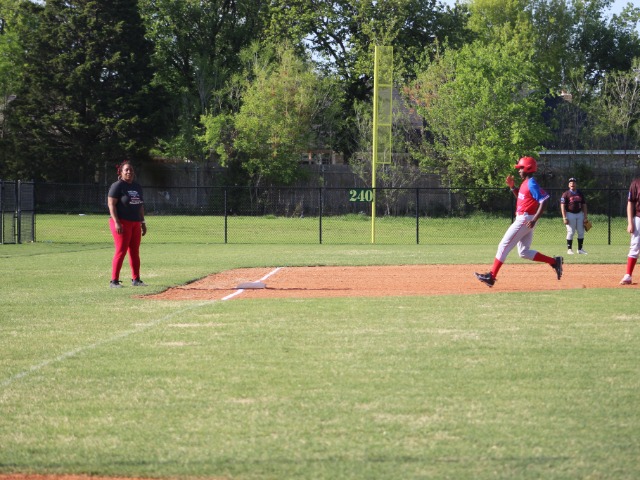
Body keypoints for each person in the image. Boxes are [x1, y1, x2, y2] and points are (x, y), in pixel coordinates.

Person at [475, 156, 563, 287]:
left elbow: (544, 200)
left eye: (521, 168)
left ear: (528, 168)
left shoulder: (531, 183)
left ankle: (491, 276)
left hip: (525, 220)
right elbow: (522, 198)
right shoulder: (525, 183)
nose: (519, 170)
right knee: (523, 252)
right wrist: (512, 187)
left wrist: (534, 220)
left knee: (503, 246)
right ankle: (554, 262)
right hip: (526, 219)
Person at [108, 160, 147, 288]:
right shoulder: (117, 186)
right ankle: (114, 281)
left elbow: (140, 206)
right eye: (126, 170)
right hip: (122, 222)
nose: (129, 172)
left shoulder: (137, 186)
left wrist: (143, 222)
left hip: (135, 222)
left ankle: (136, 279)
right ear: (121, 172)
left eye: (131, 170)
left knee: (134, 251)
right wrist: (117, 222)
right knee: (121, 251)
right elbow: (111, 205)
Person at [560, 177, 588, 254]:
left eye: (574, 183)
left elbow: (584, 205)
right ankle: (569, 249)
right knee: (571, 232)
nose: (572, 184)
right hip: (570, 214)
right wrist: (564, 217)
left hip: (580, 214)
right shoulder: (566, 194)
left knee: (581, 231)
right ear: (568, 185)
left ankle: (580, 249)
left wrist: (585, 216)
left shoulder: (580, 193)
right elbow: (562, 206)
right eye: (570, 183)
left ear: (576, 184)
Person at [620, 176, 640, 285]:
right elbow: (630, 203)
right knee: (635, 246)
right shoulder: (636, 183)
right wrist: (630, 222)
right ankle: (628, 275)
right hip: (639, 218)